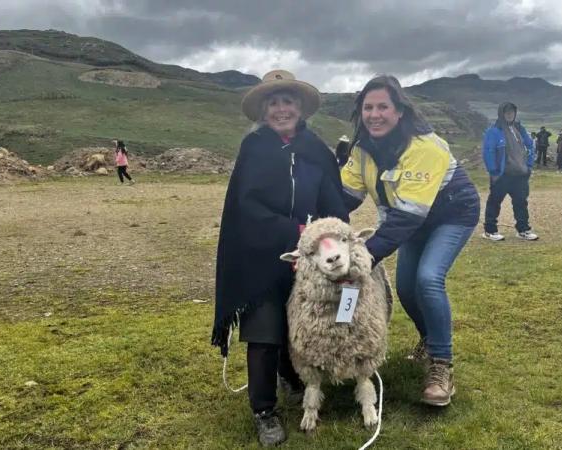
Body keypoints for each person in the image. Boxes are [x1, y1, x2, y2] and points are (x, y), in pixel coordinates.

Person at [211, 70, 348, 446]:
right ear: (263, 110)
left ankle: (292, 377)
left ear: (300, 108)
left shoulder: (317, 151)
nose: (281, 109)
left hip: (309, 259)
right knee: (264, 331)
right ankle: (263, 410)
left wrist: (330, 236)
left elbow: (333, 203)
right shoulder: (254, 149)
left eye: (288, 101)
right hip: (260, 255)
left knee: (301, 324)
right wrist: (295, 231)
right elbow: (246, 207)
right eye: (273, 103)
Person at [340, 75, 480, 407]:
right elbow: (344, 198)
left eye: (383, 107)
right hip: (410, 220)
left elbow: (405, 219)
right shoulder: (362, 150)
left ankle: (441, 364)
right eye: (368, 108)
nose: (374, 115)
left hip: (451, 215)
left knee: (428, 279)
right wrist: (315, 225)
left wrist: (361, 258)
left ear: (399, 111)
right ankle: (430, 339)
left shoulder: (424, 147)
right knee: (405, 288)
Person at [481, 102, 539, 242]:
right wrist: (494, 171)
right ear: (501, 113)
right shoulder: (494, 131)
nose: (510, 114)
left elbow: (530, 146)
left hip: (520, 175)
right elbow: (488, 151)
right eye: (507, 112)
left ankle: (523, 229)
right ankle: (490, 231)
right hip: (502, 175)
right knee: (494, 202)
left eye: (512, 112)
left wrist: (528, 165)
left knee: (521, 203)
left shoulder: (519, 129)